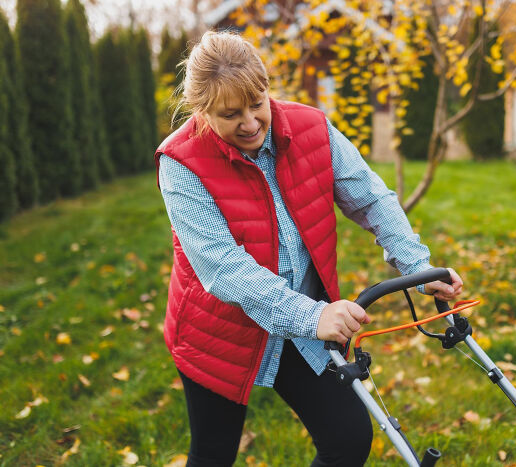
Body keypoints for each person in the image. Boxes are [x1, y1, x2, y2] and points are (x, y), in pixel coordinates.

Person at [155, 30, 463, 467]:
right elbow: (223, 268)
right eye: (230, 114)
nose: (249, 123)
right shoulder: (181, 163)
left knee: (349, 438)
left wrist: (418, 266)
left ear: (267, 89)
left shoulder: (312, 129)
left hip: (302, 322)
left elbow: (370, 198)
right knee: (213, 454)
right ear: (201, 111)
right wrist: (313, 314)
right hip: (218, 331)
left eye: (257, 103)